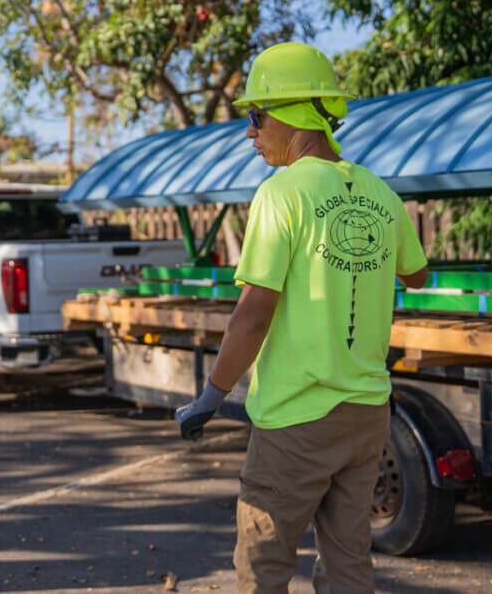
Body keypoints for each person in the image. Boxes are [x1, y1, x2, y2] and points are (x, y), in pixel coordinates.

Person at [175, 42, 428, 593]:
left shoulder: (281, 193)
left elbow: (253, 315)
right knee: (348, 563)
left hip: (297, 419)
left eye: (255, 117)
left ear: (290, 114)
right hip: (366, 413)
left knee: (262, 565)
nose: (250, 133)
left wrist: (210, 397)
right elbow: (417, 275)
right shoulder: (380, 193)